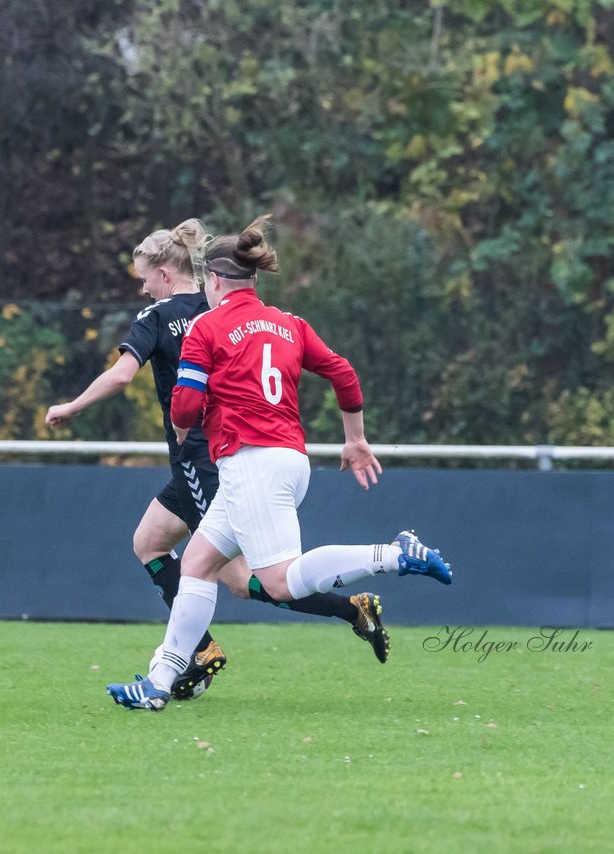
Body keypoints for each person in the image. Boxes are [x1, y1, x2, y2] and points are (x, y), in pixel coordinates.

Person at [106, 215, 452, 711]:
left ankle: (396, 554)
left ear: (217, 281)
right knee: (198, 566)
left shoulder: (208, 325)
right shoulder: (290, 324)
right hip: (289, 460)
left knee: (279, 581)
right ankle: (159, 683)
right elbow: (343, 372)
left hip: (250, 464)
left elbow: (184, 405)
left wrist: (183, 428)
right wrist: (354, 440)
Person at [47, 219, 393, 700]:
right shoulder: (224, 308)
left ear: (166, 274)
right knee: (149, 541)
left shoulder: (161, 317)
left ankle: (347, 608)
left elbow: (123, 376)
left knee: (242, 579)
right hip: (231, 455)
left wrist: (71, 406)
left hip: (208, 459)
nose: (143, 288)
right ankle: (196, 652)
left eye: (144, 277)